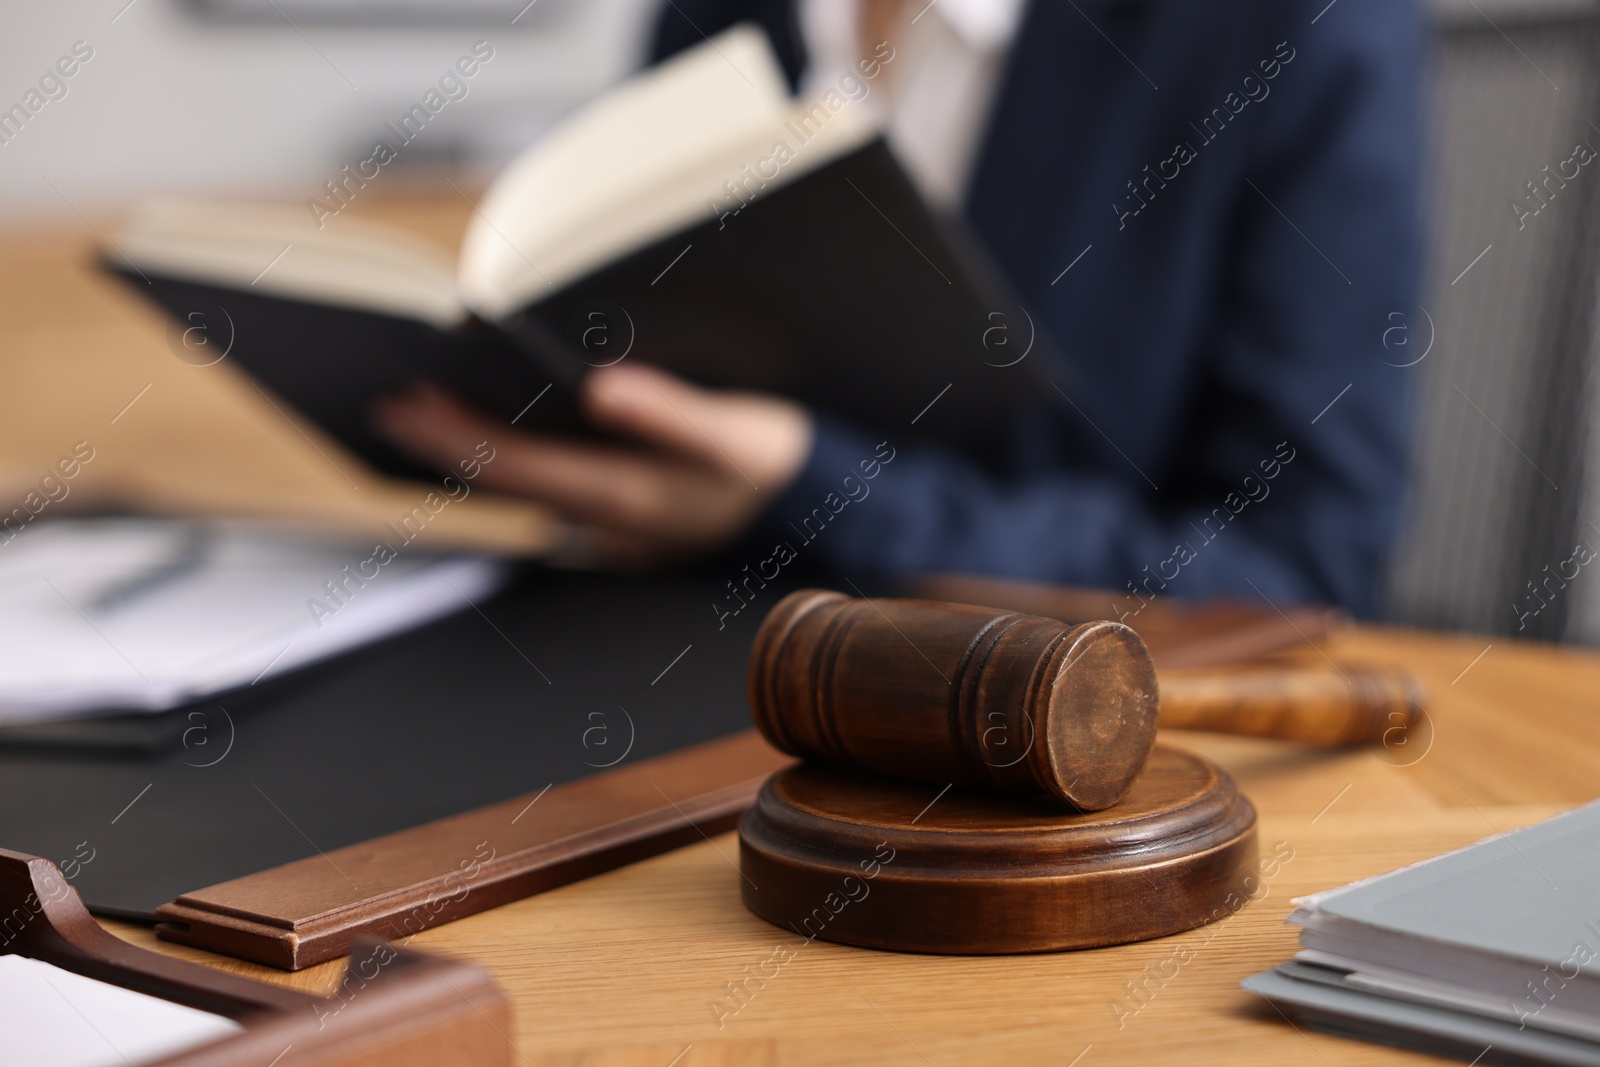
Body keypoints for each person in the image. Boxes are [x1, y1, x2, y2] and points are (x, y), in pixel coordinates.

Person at [376, 0, 1424, 617]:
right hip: (673, 647)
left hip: (1055, 740)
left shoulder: (1295, 30)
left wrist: (809, 493)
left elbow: (1301, 569)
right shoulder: (733, 14)